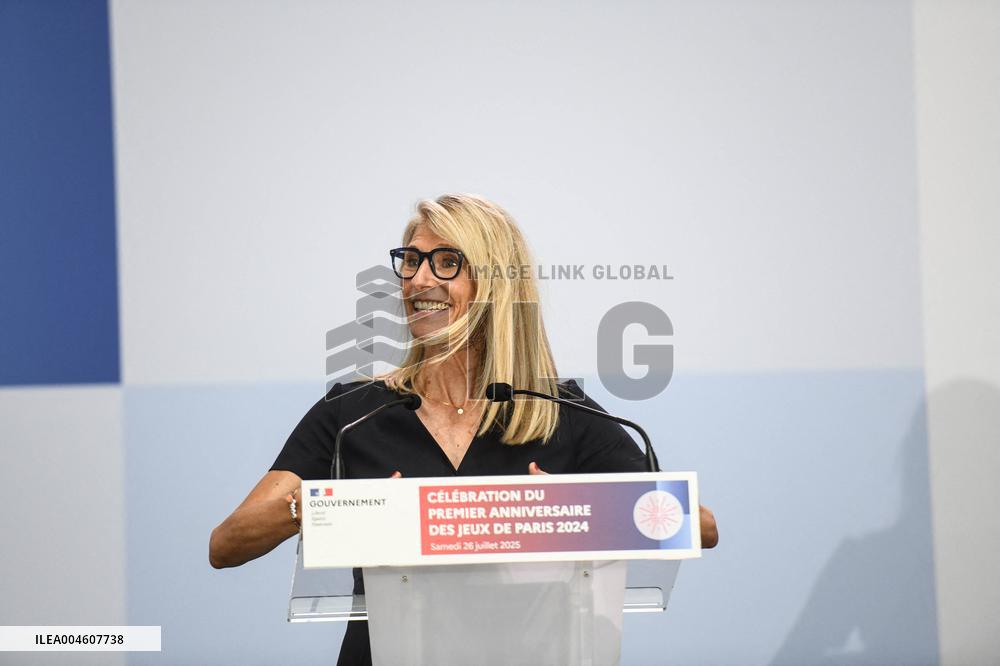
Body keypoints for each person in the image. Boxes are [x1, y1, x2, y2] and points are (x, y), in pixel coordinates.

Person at [209, 193, 718, 664]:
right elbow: (226, 545)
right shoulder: (353, 414)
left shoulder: (562, 412)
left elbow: (698, 525)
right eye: (411, 261)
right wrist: (325, 508)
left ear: (496, 285)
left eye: (447, 262)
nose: (418, 281)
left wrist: (575, 509)